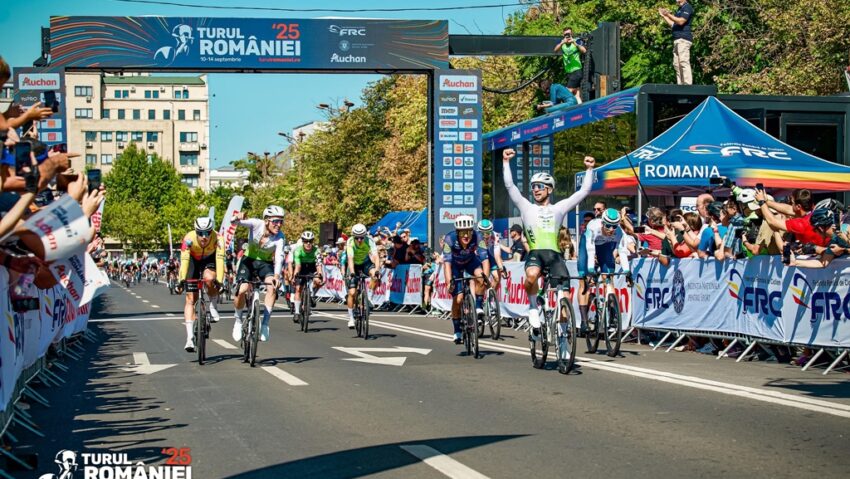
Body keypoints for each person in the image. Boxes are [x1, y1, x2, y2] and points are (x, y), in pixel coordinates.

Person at [502, 147, 595, 340]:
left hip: (555, 256)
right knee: (532, 276)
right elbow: (511, 186)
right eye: (533, 186)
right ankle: (533, 309)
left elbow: (584, 191)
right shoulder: (526, 206)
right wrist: (505, 162)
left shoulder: (559, 208)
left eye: (540, 186)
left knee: (564, 299)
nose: (535, 189)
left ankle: (562, 339)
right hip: (536, 253)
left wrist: (589, 169)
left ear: (549, 190)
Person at [231, 205, 286, 342]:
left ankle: (265, 324)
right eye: (275, 221)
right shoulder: (256, 224)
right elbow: (235, 223)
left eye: (281, 221)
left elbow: (279, 257)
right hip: (248, 261)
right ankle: (238, 320)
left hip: (265, 264)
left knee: (272, 287)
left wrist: (277, 277)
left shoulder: (280, 237)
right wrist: (237, 217)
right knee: (242, 289)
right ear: (267, 220)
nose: (278, 225)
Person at [578, 208, 633, 334]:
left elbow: (623, 251)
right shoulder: (593, 227)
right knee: (584, 279)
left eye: (614, 226)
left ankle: (613, 313)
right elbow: (590, 249)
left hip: (604, 247)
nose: (611, 229)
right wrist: (591, 268)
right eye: (608, 225)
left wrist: (626, 271)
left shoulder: (619, 232)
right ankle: (584, 320)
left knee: (609, 276)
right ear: (602, 223)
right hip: (587, 247)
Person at [176, 217, 224, 352]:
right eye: (200, 233)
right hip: (193, 260)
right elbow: (184, 261)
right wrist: (181, 280)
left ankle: (213, 305)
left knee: (209, 279)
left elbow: (220, 261)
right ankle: (189, 338)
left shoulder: (219, 239)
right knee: (190, 298)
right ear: (196, 231)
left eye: (208, 233)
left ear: (211, 231)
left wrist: (219, 281)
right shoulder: (188, 239)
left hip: (210, 259)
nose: (204, 237)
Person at [442, 215, 489, 344]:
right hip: (455, 266)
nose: (466, 235)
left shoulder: (478, 236)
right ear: (457, 233)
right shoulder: (449, 239)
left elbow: (485, 260)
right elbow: (446, 264)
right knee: (458, 298)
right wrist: (449, 282)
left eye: (468, 231)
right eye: (463, 232)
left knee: (480, 276)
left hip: (470, 262)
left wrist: (485, 277)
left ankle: (478, 308)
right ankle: (457, 331)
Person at [345, 223, 381, 329]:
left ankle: (368, 296)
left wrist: (377, 270)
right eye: (357, 238)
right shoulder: (350, 242)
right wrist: (352, 272)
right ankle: (351, 318)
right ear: (353, 236)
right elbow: (350, 259)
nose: (360, 240)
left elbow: (375, 256)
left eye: (362, 237)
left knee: (375, 275)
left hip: (365, 263)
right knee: (352, 293)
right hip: (354, 265)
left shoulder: (369, 241)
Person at [659, 0, 694, 85]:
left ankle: (687, 84)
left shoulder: (687, 7)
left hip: (683, 39)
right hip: (677, 40)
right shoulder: (680, 9)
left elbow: (681, 21)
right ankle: (680, 84)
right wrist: (664, 16)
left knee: (683, 61)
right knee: (676, 64)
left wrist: (668, 14)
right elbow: (673, 24)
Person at [291, 231, 324, 321]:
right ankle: (297, 312)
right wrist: (295, 276)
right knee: (298, 289)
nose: (308, 243)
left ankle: (312, 294)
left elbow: (318, 264)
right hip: (301, 267)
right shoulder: (298, 251)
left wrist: (320, 274)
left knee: (319, 281)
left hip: (312, 267)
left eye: (310, 241)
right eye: (306, 241)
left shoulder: (316, 251)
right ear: (303, 241)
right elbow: (297, 266)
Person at [553, 26, 587, 104]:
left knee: (566, 92)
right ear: (563, 35)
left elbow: (584, 50)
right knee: (576, 94)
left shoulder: (576, 42)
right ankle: (580, 110)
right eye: (566, 34)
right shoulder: (563, 44)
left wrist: (575, 43)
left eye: (569, 34)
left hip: (576, 71)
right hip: (569, 72)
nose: (567, 36)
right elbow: (555, 50)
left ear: (572, 34)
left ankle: (559, 107)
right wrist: (562, 42)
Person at [477, 219, 505, 291]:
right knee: (481, 281)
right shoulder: (475, 236)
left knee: (496, 278)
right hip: (478, 257)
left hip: (489, 256)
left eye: (488, 232)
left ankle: (491, 299)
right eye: (482, 233)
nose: (485, 235)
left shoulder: (495, 235)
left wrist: (501, 269)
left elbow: (497, 255)